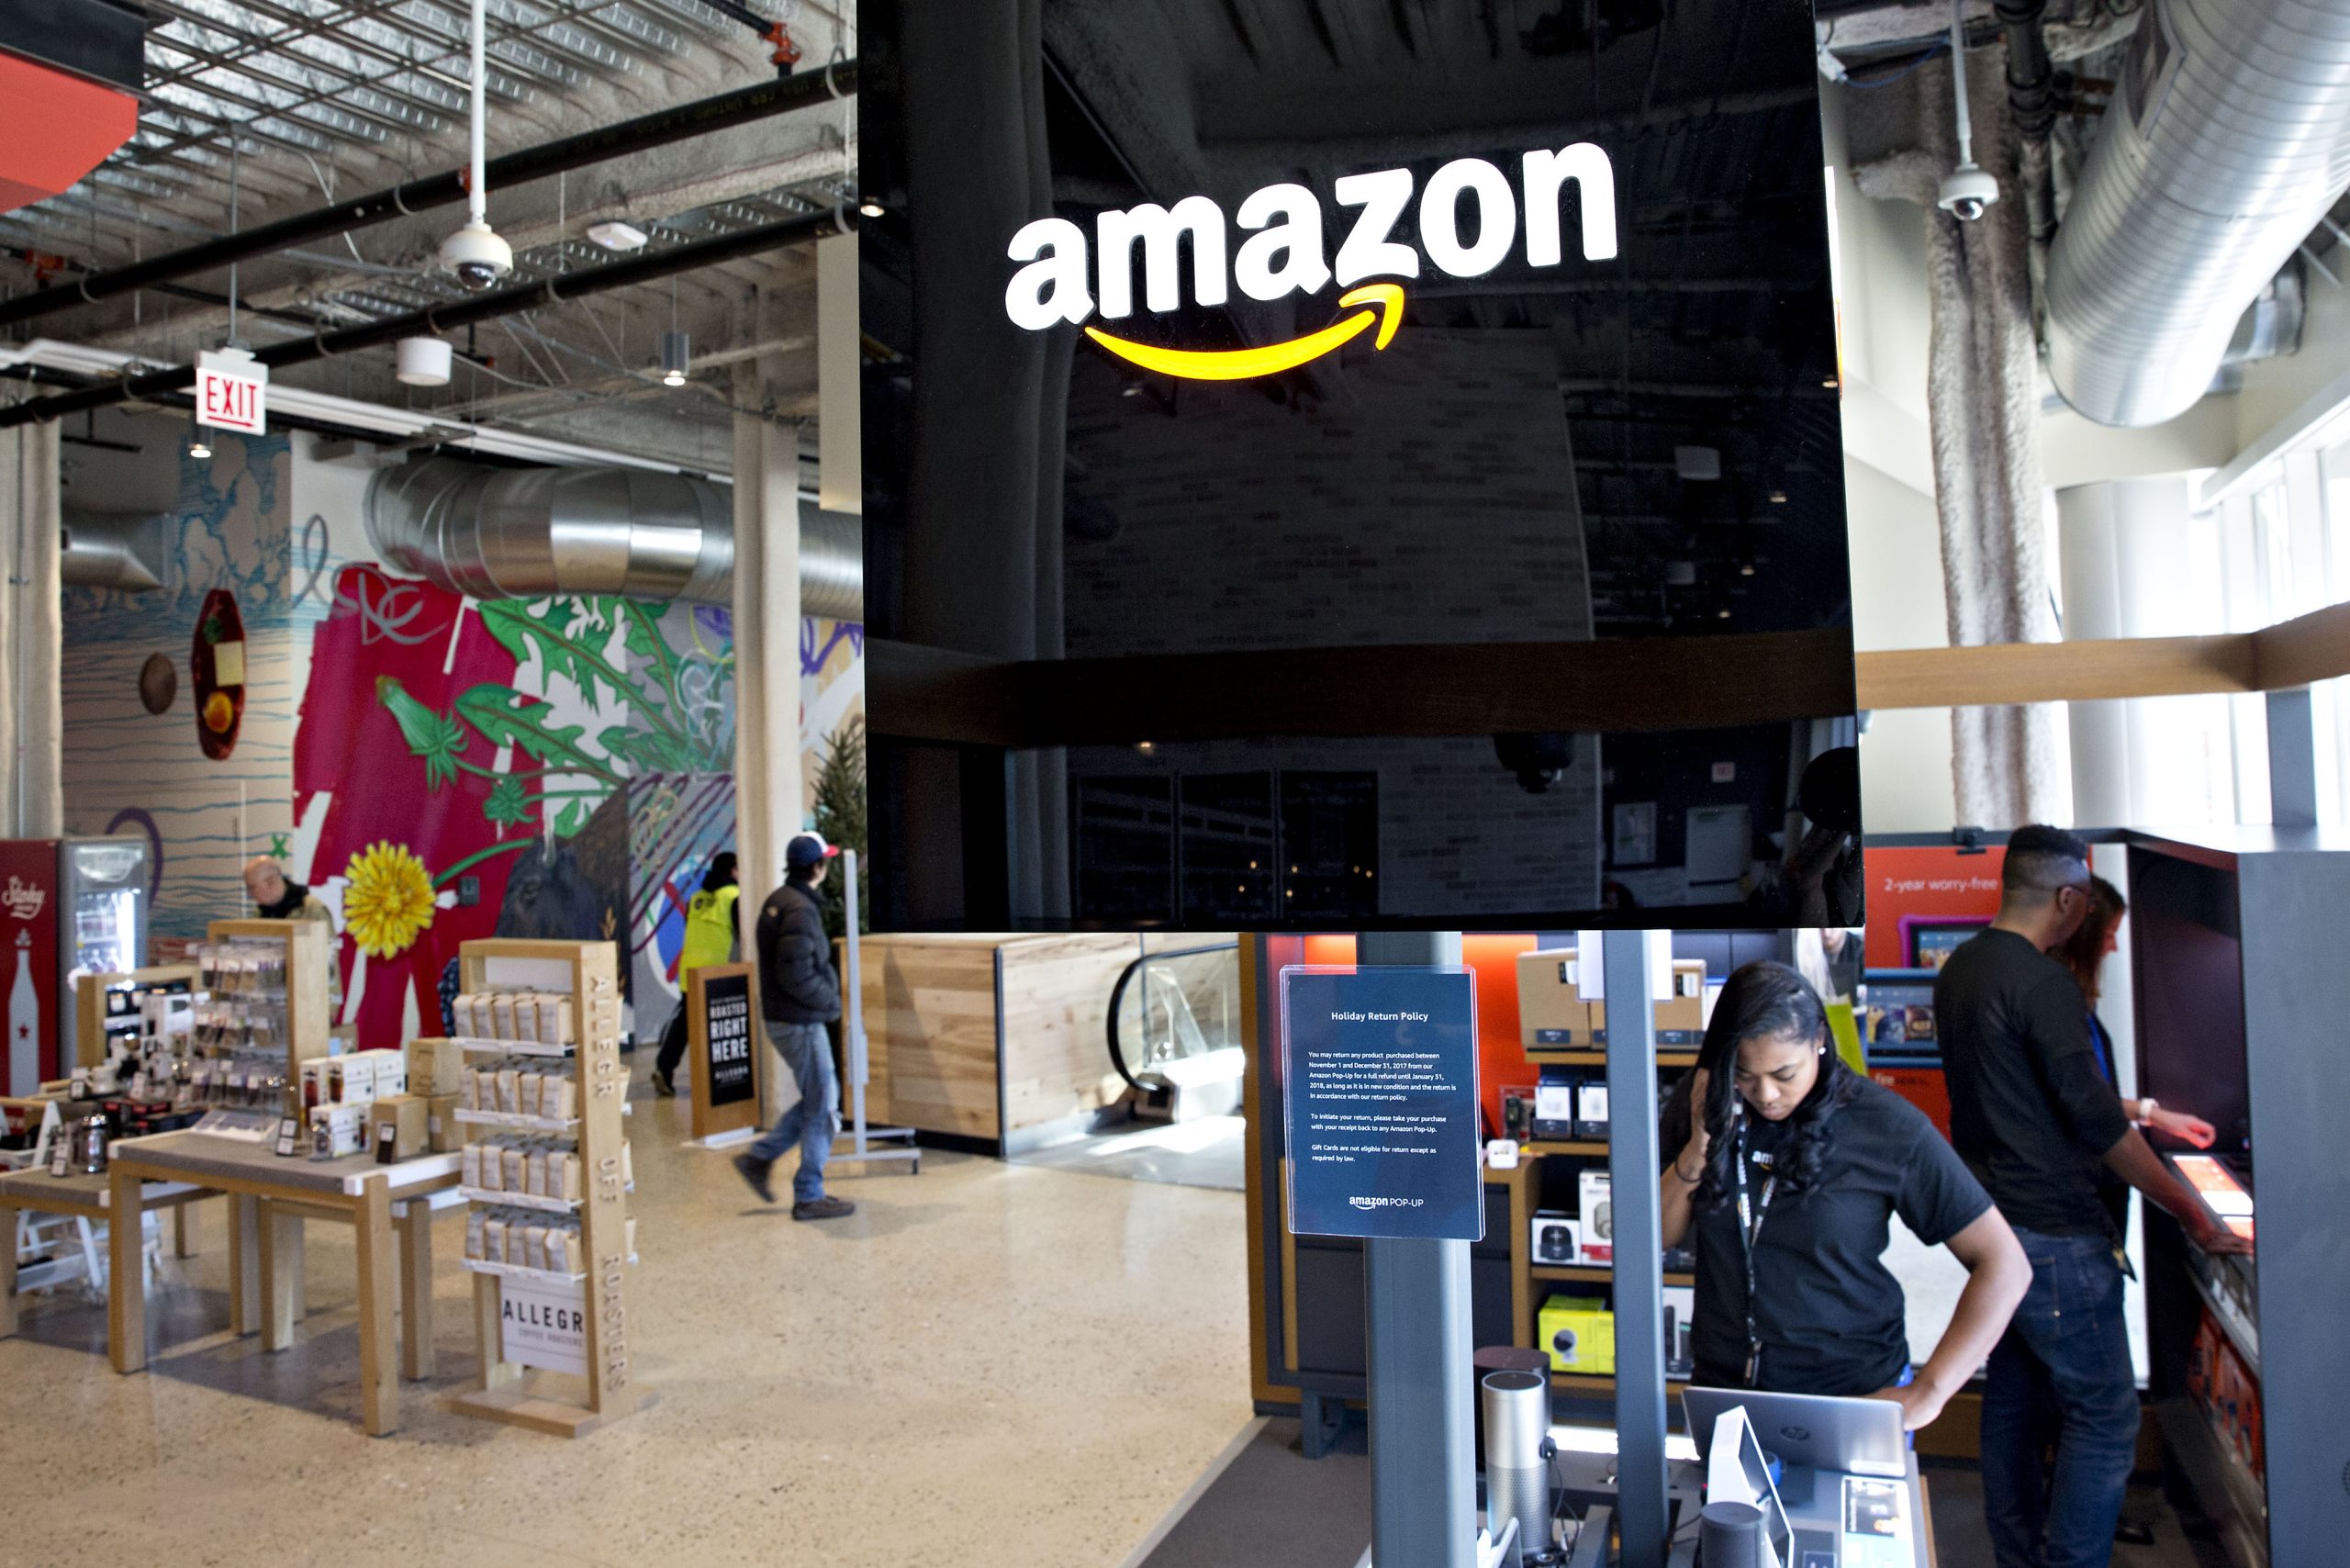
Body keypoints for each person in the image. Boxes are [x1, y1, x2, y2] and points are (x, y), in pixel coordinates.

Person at [1936, 825, 2251, 1568]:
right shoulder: (2043, 983)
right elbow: (2096, 1121)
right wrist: (2192, 1211)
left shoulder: (1963, 970)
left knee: (2012, 1398)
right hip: (2056, 1233)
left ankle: (2017, 1551)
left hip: (1992, 1231)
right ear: (2069, 898)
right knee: (2105, 1416)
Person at [1659, 961, 2029, 1427]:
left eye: (1784, 1073)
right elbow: (1656, 1238)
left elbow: (2005, 1264)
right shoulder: (1703, 1104)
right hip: (1725, 1391)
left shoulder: (1885, 1125)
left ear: (1818, 1039)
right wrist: (1699, 1145)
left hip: (1852, 1395)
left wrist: (1930, 1390)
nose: (1766, 1093)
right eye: (1745, 1075)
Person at [735, 833, 853, 1221]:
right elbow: (796, 974)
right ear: (816, 867)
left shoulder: (778, 902)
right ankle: (808, 1194)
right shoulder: (800, 910)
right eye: (825, 861)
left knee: (819, 1098)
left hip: (784, 1018)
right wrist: (831, 1003)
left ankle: (759, 1160)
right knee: (823, 1104)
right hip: (799, 1021)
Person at [651, 853, 740, 1098]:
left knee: (684, 1025)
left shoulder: (696, 899)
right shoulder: (734, 898)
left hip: (691, 969)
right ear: (733, 871)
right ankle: (716, 1077)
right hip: (719, 972)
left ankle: (664, 1069)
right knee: (721, 1028)